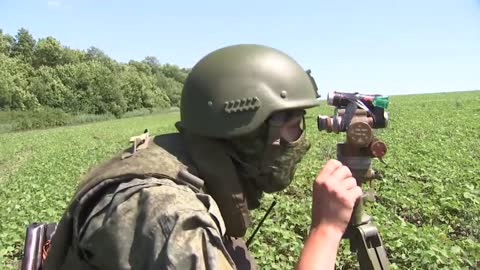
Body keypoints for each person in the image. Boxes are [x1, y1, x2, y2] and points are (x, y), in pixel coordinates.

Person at [43, 44, 362, 270]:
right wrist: (326, 230)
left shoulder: (178, 161)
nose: (299, 142)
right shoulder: (168, 219)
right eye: (293, 127)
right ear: (247, 132)